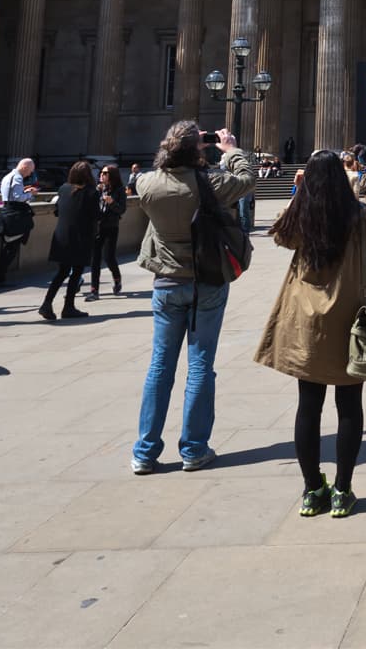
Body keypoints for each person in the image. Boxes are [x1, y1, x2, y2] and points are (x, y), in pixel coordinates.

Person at [255, 149, 366, 518]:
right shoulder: (362, 216)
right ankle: (343, 490)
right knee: (349, 406)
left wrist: (300, 194)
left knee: (308, 406)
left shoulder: (301, 217)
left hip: (306, 324)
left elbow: (279, 238)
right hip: (350, 320)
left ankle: (312, 489)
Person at [131, 122, 254, 475]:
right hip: (206, 282)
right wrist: (229, 150)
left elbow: (162, 173)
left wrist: (183, 148)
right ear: (196, 150)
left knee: (159, 366)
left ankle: (145, 452)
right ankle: (194, 449)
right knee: (200, 365)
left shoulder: (147, 184)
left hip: (166, 284)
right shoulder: (208, 185)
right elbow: (246, 181)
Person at [39, 161, 100, 320]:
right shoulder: (92, 192)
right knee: (76, 272)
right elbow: (95, 216)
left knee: (62, 272)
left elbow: (58, 211)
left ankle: (47, 303)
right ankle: (68, 306)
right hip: (81, 237)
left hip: (62, 236)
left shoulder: (63, 189)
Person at [0, 156, 38, 286]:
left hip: (7, 213)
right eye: (30, 170)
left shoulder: (8, 176)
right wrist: (30, 194)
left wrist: (25, 191)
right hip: (14, 215)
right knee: (10, 250)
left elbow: (12, 195)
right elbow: (17, 197)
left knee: (7, 249)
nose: (30, 173)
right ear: (24, 167)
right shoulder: (17, 178)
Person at [87, 163, 127, 299]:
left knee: (109, 257)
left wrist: (112, 202)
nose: (101, 175)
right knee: (95, 259)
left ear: (112, 176)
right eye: (101, 173)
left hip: (111, 227)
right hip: (98, 227)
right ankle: (94, 290)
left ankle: (117, 279)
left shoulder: (120, 190)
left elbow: (122, 209)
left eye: (105, 173)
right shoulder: (98, 190)